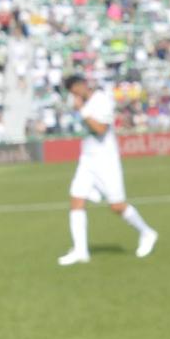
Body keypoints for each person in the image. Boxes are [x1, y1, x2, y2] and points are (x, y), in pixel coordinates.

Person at [56, 74, 157, 266]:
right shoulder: (84, 103)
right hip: (87, 160)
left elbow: (101, 129)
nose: (74, 96)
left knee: (116, 206)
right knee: (76, 200)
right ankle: (80, 251)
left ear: (81, 86)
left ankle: (146, 232)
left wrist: (82, 111)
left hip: (105, 161)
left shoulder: (101, 100)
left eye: (74, 91)